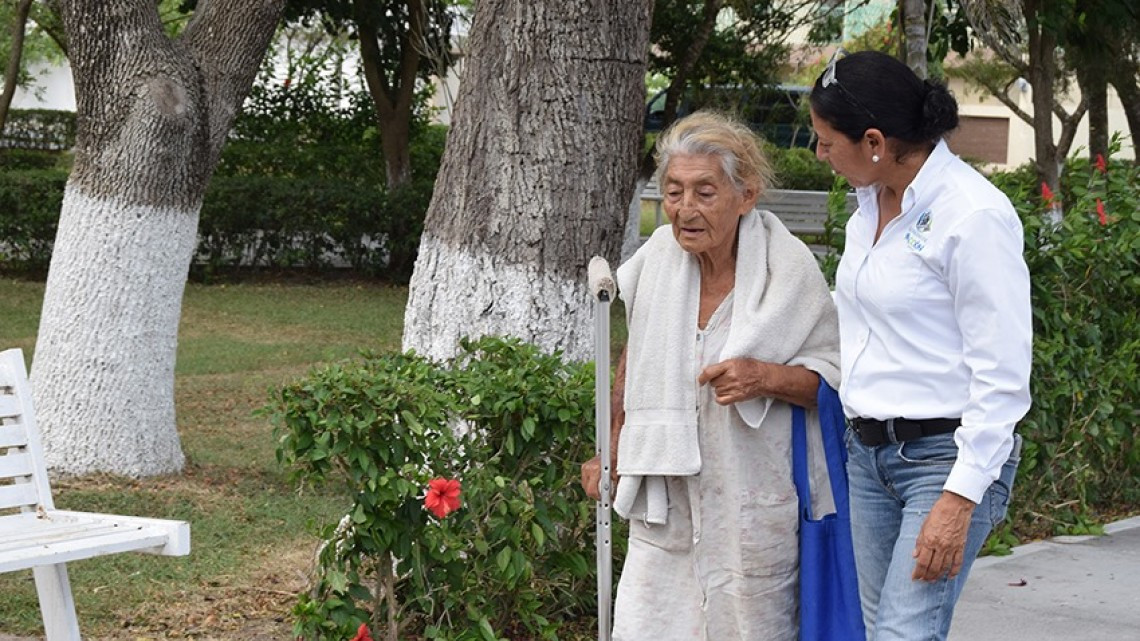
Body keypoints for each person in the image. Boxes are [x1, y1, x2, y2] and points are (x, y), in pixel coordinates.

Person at [580, 111, 842, 640]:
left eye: (704, 192)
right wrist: (612, 444)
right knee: (651, 626)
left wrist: (764, 377)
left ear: (746, 195)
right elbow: (637, 353)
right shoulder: (657, 259)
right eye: (673, 192)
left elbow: (834, 383)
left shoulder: (788, 272)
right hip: (667, 496)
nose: (685, 209)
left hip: (751, 498)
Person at [808, 49, 1032, 641]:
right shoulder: (868, 207)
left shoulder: (973, 216)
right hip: (868, 455)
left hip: (942, 460)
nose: (819, 154)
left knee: (903, 635)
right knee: (880, 630)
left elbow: (1003, 375)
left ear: (874, 142)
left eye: (826, 142)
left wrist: (959, 499)